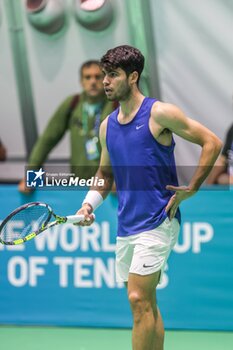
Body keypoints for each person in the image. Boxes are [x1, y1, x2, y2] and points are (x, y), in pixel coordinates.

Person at [75, 45, 222, 350]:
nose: (105, 81)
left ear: (133, 77)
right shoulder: (107, 127)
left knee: (138, 298)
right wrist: (89, 203)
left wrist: (193, 187)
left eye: (112, 75)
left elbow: (212, 142)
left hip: (158, 220)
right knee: (146, 304)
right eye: (104, 74)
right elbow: (105, 175)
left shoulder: (159, 113)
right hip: (127, 224)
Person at [18, 60, 117, 193]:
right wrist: (31, 176)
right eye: (87, 77)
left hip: (110, 185)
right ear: (81, 81)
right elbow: (47, 140)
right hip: (78, 184)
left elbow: (131, 147)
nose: (92, 81)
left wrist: (122, 179)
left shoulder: (117, 105)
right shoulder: (72, 104)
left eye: (97, 77)